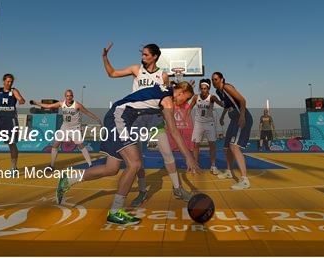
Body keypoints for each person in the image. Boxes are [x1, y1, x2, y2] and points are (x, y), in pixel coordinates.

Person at [55, 82, 200, 225]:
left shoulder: (164, 92)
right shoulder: (168, 101)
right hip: (119, 118)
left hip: (116, 117)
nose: (184, 102)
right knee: (135, 163)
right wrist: (189, 157)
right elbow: (174, 131)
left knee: (111, 169)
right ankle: (115, 212)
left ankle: (69, 179)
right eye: (186, 98)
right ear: (180, 92)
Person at [102, 42, 193, 206]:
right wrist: (105, 58)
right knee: (138, 159)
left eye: (145, 54)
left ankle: (178, 188)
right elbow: (112, 73)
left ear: (155, 56)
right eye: (142, 54)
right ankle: (143, 191)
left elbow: (167, 97)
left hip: (155, 118)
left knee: (167, 153)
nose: (142, 57)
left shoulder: (163, 76)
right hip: (136, 118)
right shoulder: (137, 69)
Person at [30, 90, 102, 171]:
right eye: (67, 96)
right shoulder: (61, 103)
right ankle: (52, 165)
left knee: (81, 145)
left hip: (75, 128)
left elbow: (87, 112)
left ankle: (90, 164)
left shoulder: (77, 105)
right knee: (55, 145)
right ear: (65, 96)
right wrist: (36, 103)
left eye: (70, 95)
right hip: (64, 127)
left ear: (72, 96)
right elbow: (48, 106)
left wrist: (97, 118)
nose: (69, 97)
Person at [212, 72, 253, 190]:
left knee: (234, 146)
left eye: (216, 79)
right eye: (212, 80)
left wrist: (242, 116)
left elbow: (242, 100)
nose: (214, 81)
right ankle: (229, 171)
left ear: (221, 79)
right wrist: (222, 116)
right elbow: (227, 105)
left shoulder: (227, 87)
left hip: (242, 117)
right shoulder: (218, 91)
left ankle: (245, 180)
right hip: (233, 119)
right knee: (226, 148)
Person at [187, 78, 224, 174]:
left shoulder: (212, 97)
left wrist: (227, 100)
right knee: (196, 145)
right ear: (200, 88)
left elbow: (222, 104)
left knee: (212, 145)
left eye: (205, 88)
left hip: (209, 123)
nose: (203, 90)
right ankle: (195, 164)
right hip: (198, 123)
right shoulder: (196, 97)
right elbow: (190, 108)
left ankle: (213, 166)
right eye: (202, 88)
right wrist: (186, 118)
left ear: (208, 89)